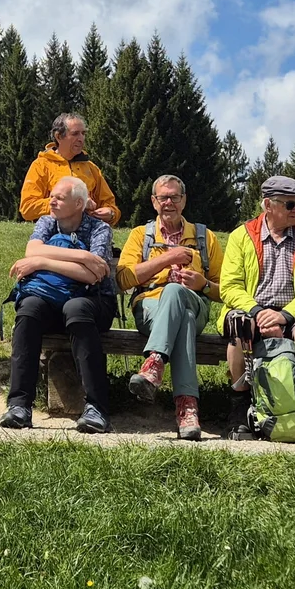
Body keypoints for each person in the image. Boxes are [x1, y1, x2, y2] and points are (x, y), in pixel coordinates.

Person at [218, 175, 295, 437]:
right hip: (253, 311)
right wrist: (259, 313)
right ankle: (239, 407)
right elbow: (230, 286)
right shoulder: (242, 236)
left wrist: (284, 315)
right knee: (240, 329)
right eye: (290, 204)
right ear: (268, 205)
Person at [2, 178, 118, 433]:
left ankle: (97, 408)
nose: (51, 201)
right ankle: (19, 405)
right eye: (51, 196)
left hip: (94, 301)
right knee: (29, 308)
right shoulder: (47, 221)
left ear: (78, 203)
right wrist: (83, 256)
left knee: (75, 309)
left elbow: (93, 276)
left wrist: (44, 261)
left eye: (59, 198)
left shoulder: (100, 229)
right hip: (51, 296)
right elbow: (31, 251)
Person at [117, 174, 226, 441]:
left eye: (174, 197)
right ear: (154, 202)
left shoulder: (205, 237)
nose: (169, 203)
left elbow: (227, 290)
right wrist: (168, 258)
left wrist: (202, 284)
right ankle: (187, 409)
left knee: (178, 294)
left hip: (196, 302)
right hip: (150, 308)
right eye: (163, 197)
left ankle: (154, 364)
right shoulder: (140, 235)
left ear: (184, 200)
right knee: (183, 320)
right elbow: (123, 279)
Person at [18, 113, 121, 225]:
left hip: (88, 232)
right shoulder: (41, 165)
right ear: (58, 136)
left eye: (83, 133)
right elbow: (27, 208)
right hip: (54, 234)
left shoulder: (91, 168)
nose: (81, 138)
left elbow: (110, 205)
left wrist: (110, 213)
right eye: (75, 134)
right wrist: (70, 203)